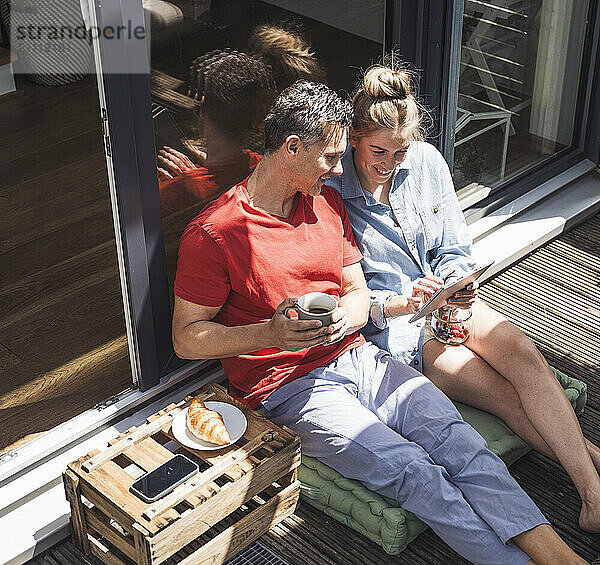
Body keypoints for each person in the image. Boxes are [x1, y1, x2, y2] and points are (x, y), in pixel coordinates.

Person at [172, 80, 587, 565]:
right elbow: (186, 338)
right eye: (329, 156)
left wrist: (355, 314)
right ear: (291, 149)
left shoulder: (325, 202)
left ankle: (562, 558)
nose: (338, 168)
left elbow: (356, 291)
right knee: (415, 473)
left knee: (459, 441)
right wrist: (270, 334)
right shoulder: (215, 232)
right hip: (285, 388)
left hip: (359, 355)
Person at [327, 62, 600, 533]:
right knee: (507, 397)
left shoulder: (427, 162)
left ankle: (593, 489)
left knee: (523, 351)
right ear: (354, 137)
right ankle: (593, 490)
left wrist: (458, 282)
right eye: (379, 151)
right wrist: (404, 300)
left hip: (450, 305)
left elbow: (454, 249)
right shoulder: (331, 197)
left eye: (401, 149)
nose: (391, 164)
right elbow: (353, 300)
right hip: (404, 334)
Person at [156, 49, 275, 216]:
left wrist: (190, 182)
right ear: (258, 116)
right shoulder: (268, 169)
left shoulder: (169, 193)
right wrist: (203, 174)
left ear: (201, 108)